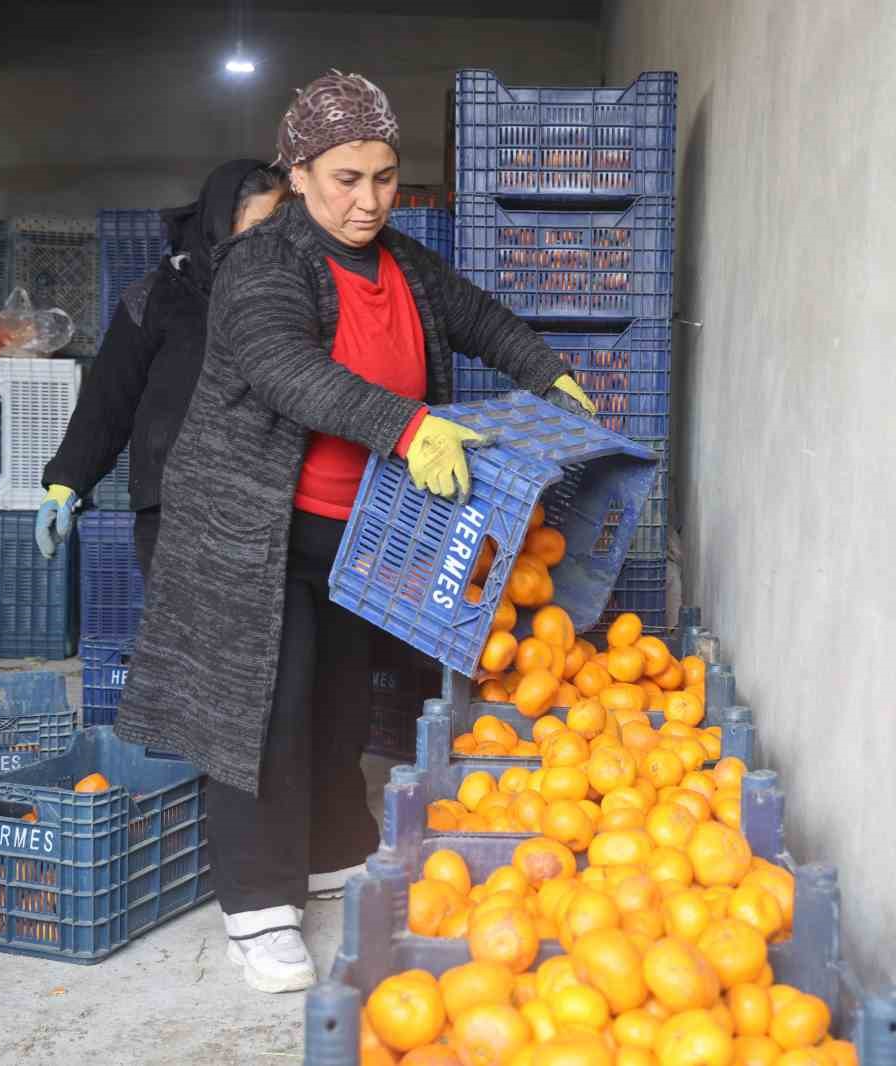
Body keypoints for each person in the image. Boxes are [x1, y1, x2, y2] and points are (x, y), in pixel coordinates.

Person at [113, 71, 598, 994]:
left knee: (341, 695)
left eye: (383, 177)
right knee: (261, 707)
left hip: (362, 526)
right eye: (345, 178)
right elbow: (283, 366)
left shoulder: (405, 261)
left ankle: (334, 848)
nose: (369, 199)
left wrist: (549, 373)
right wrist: (409, 427)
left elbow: (479, 317)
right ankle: (257, 908)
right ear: (298, 174)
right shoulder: (264, 265)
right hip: (251, 526)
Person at [34, 159, 288, 573]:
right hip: (173, 513)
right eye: (257, 227)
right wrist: (65, 485)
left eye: (280, 227)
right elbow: (109, 400)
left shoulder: (288, 298)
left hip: (265, 512)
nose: (269, 242)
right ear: (220, 225)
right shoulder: (156, 299)